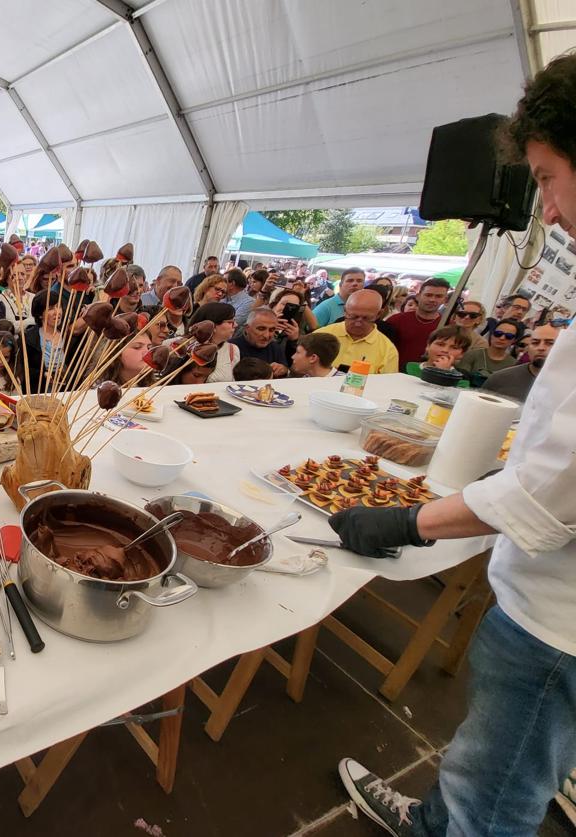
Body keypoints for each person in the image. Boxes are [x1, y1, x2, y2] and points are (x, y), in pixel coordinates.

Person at [334, 53, 576, 837]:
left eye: (545, 176)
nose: (549, 206)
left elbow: (544, 499)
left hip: (558, 626)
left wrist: (408, 522)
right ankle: (438, 818)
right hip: (547, 607)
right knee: (488, 767)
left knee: (495, 798)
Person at [311, 289, 400, 374]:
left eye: (366, 318)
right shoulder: (320, 336)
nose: (358, 323)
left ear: (379, 314)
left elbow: (385, 385)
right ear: (345, 310)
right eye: (353, 316)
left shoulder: (388, 350)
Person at [481, 323, 559, 402]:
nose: (541, 348)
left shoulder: (570, 386)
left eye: (550, 343)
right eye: (535, 343)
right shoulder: (501, 379)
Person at [385, 277, 451, 370]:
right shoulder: (396, 320)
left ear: (445, 299)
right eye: (428, 295)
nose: (432, 299)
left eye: (438, 296)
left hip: (429, 375)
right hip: (394, 373)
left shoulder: (448, 326)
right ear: (418, 296)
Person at [187, 302, 240, 383]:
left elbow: (232, 384)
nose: (236, 325)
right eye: (230, 322)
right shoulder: (182, 346)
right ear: (212, 326)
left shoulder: (233, 349)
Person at [456, 318, 524, 382]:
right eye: (498, 333)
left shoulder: (514, 365)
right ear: (492, 334)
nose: (502, 338)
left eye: (509, 336)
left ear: (514, 340)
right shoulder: (472, 355)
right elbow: (460, 379)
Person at [230, 307, 290, 377]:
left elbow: (285, 370)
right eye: (261, 329)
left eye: (271, 330)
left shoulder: (275, 347)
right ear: (247, 328)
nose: (266, 335)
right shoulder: (231, 348)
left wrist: (283, 370)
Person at [0, 260, 35, 331]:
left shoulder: (33, 297)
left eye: (22, 274)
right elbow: (11, 327)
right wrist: (33, 320)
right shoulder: (1, 298)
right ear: (6, 278)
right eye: (15, 275)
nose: (20, 278)